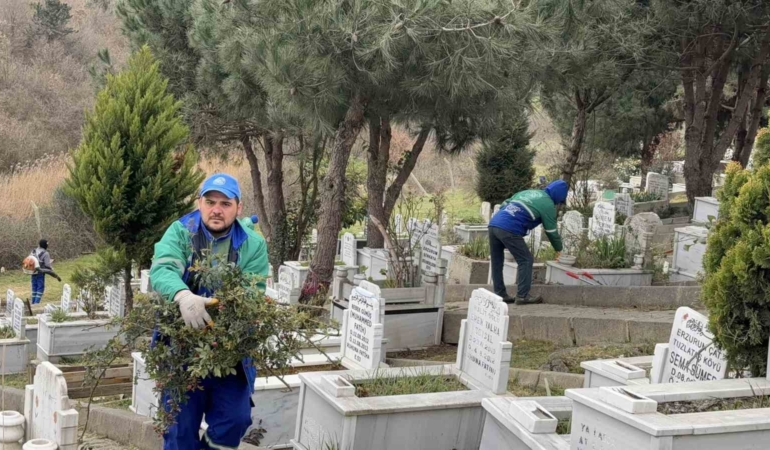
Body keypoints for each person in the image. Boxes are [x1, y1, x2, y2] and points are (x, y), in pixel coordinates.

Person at [150, 173, 269, 450]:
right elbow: (164, 267)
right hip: (180, 349)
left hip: (230, 349)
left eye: (226, 203)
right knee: (179, 429)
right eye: (210, 201)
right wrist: (182, 296)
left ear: (238, 208)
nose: (217, 209)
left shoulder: (252, 243)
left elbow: (253, 292)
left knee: (235, 420)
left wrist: (219, 307)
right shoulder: (181, 231)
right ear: (199, 203)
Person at [488, 180, 567, 305]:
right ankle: (522, 296)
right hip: (509, 228)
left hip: (494, 224)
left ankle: (500, 294)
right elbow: (551, 231)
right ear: (559, 196)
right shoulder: (548, 204)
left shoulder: (529, 192)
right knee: (525, 259)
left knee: (497, 260)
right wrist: (559, 248)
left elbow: (505, 203)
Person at [28, 239, 61, 304]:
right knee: (40, 289)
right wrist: (51, 267)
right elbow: (47, 265)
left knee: (34, 289)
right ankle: (36, 305)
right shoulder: (46, 253)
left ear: (39, 244)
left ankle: (33, 304)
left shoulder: (33, 251)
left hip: (33, 272)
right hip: (40, 273)